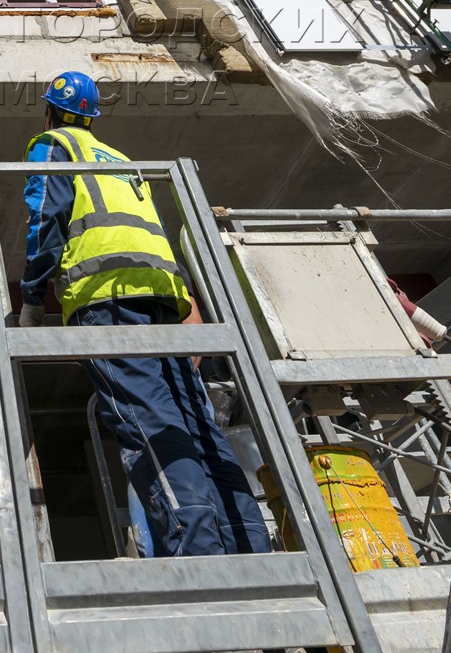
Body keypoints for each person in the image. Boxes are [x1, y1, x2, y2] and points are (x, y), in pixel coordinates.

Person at [18, 71, 270, 558]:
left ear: (49, 112)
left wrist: (32, 298)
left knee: (147, 424)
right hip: (161, 304)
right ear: (93, 117)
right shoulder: (120, 160)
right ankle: (253, 554)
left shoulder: (53, 144)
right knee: (194, 428)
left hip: (106, 300)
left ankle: (204, 569)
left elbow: (45, 215)